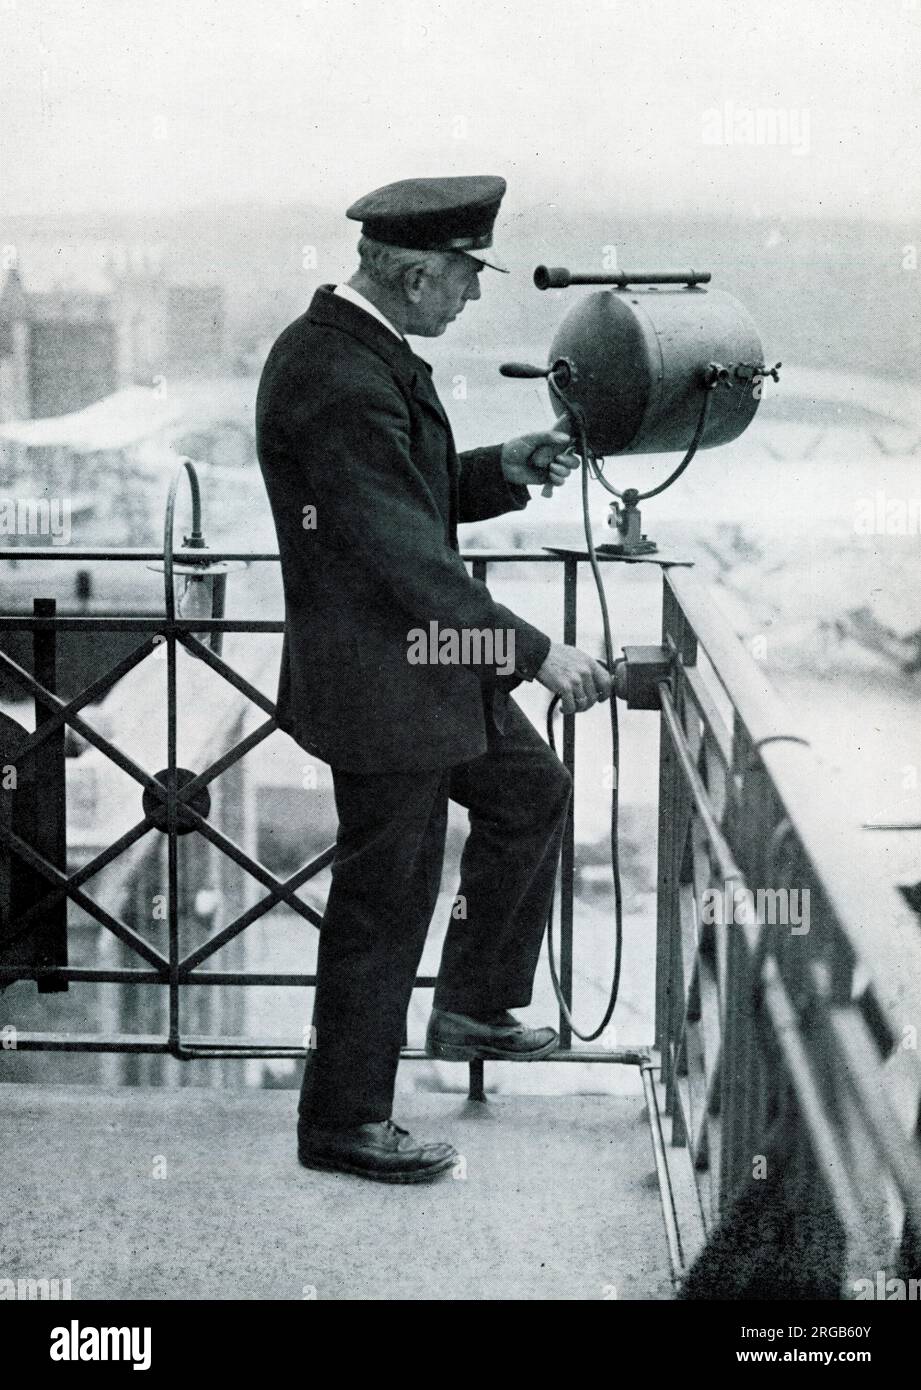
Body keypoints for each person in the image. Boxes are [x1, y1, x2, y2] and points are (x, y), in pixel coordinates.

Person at [256, 174, 612, 1183]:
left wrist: (510, 464)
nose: (471, 294)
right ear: (412, 273)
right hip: (385, 681)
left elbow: (415, 496)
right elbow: (403, 558)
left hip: (420, 663)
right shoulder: (339, 375)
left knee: (530, 791)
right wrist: (538, 652)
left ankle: (471, 1005)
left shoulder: (362, 354)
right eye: (464, 274)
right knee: (387, 896)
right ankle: (344, 1121)